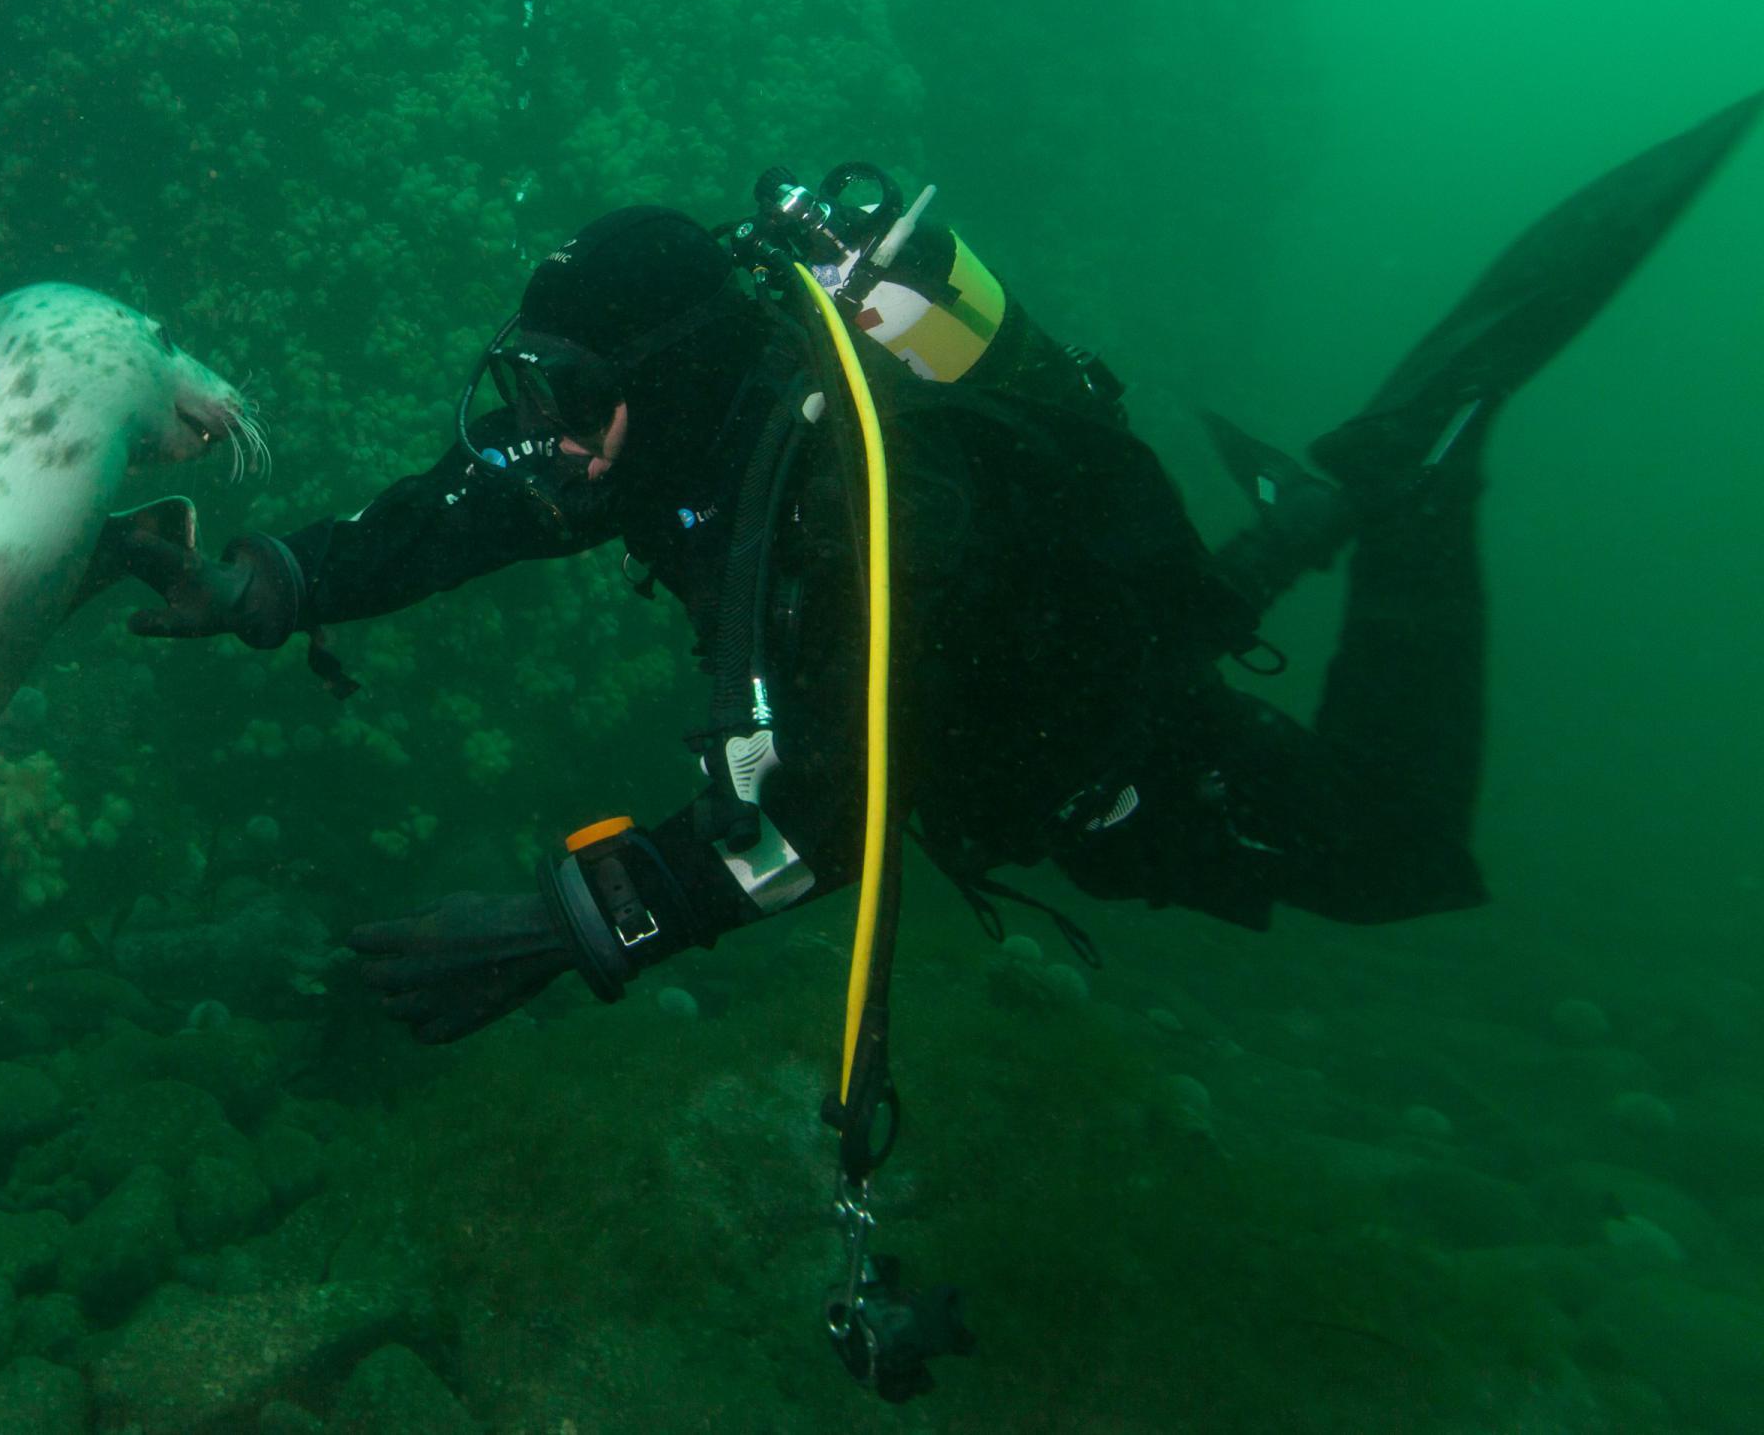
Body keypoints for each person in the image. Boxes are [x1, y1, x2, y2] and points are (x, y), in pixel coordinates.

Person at [127, 102, 1757, 1047]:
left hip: (1102, 743)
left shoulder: (855, 507)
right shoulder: (656, 442)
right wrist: (276, 578)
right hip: (1006, 721)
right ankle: (1317, 508)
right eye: (528, 389)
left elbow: (825, 819)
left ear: (674, 378)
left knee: (1393, 852)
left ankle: (1415, 484)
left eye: (567, 396)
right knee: (1217, 620)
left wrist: (573, 924)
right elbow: (467, 509)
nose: (534, 436)